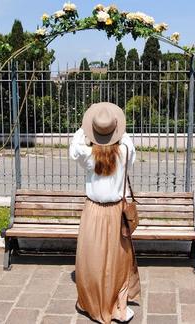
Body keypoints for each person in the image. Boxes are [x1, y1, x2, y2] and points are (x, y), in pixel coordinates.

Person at [69, 102, 141, 323]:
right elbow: (126, 140)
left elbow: (74, 147)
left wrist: (86, 128)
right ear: (116, 130)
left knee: (91, 260)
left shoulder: (87, 155)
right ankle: (118, 305)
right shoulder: (125, 151)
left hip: (93, 212)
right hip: (116, 213)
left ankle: (94, 302)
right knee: (119, 262)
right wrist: (117, 129)